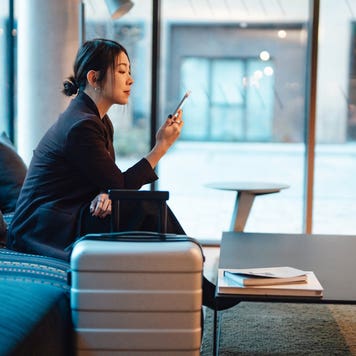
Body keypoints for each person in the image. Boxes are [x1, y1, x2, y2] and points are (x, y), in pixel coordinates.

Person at [7, 38, 234, 311]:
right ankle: (200, 286)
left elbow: (105, 178)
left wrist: (105, 193)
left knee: (142, 210)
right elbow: (120, 185)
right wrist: (160, 147)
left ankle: (188, 282)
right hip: (45, 227)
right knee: (148, 207)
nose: (131, 79)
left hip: (66, 213)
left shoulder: (96, 118)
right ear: (94, 77)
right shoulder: (82, 125)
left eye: (129, 71)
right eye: (122, 71)